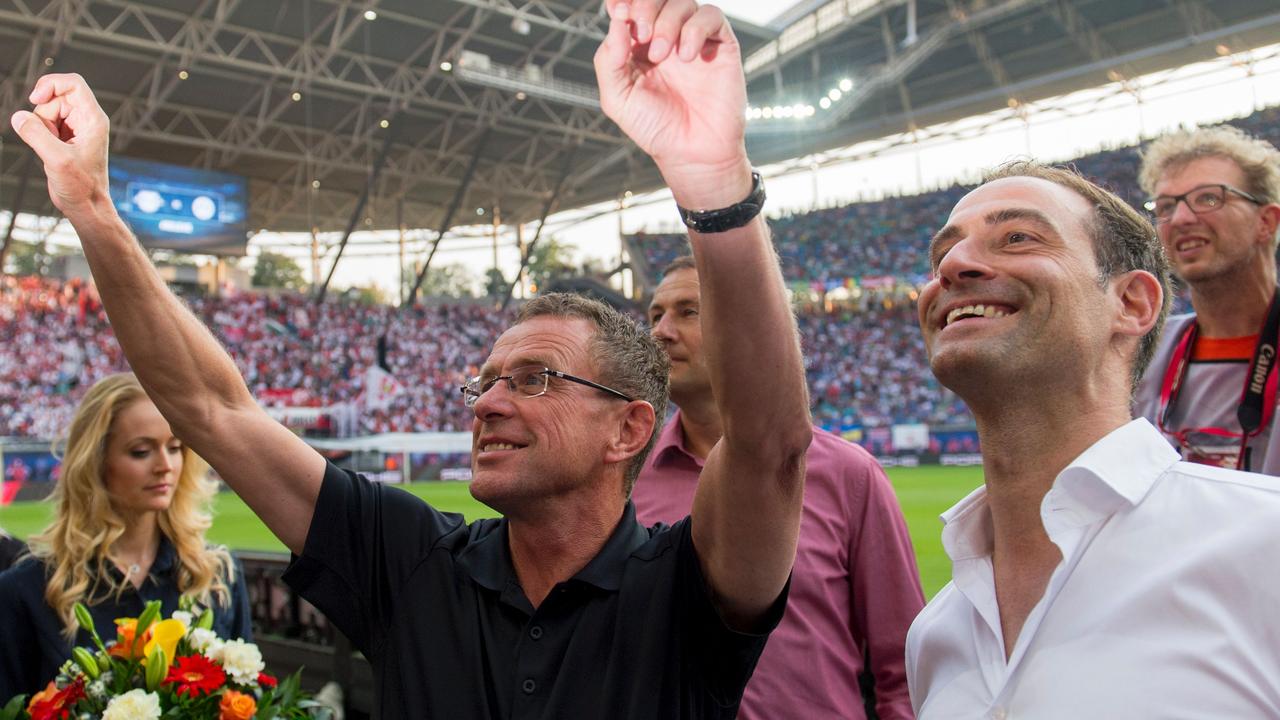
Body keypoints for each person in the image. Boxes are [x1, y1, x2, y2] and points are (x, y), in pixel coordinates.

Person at [8, 0, 812, 716]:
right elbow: (213, 411)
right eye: (486, 381)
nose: (487, 404)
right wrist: (94, 210)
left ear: (630, 428)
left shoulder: (690, 585)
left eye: (533, 379)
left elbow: (769, 448)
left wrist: (711, 180)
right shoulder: (413, 560)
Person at [905, 161, 1280, 717]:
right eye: (942, 257)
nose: (954, 266)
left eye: (1017, 238)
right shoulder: (934, 636)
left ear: (1131, 304)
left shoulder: (1264, 544)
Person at [638, 255, 924, 720]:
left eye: (688, 311)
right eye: (656, 315)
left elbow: (907, 668)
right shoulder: (625, 477)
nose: (661, 331)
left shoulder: (849, 474)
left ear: (747, 324)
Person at [0, 373, 251, 701]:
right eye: (141, 451)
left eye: (175, 448)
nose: (165, 465)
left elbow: (246, 699)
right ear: (96, 462)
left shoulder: (217, 575)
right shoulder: (27, 590)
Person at [1133, 125, 1280, 474]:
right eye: (1166, 207)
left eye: (1209, 198)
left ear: (1267, 221)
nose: (1181, 218)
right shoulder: (1140, 353)